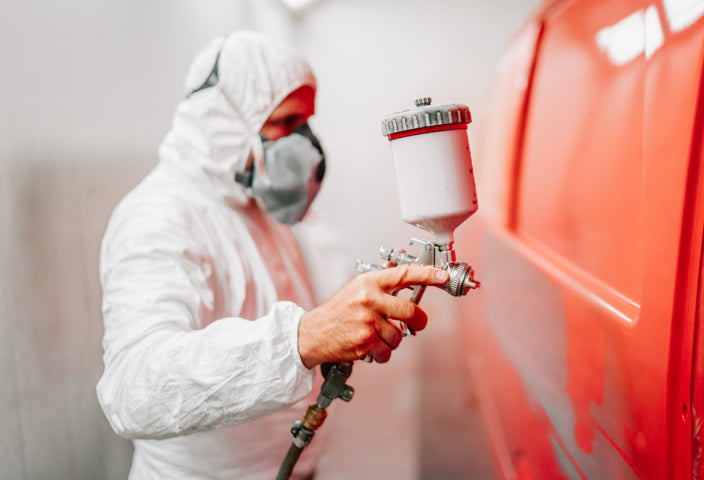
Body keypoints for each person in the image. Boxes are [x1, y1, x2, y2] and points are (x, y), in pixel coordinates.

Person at [96, 30, 448, 480]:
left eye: (307, 123)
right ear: (224, 121)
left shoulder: (257, 204)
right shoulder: (159, 217)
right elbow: (134, 390)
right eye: (286, 122)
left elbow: (297, 290)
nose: (306, 145)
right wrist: (303, 338)